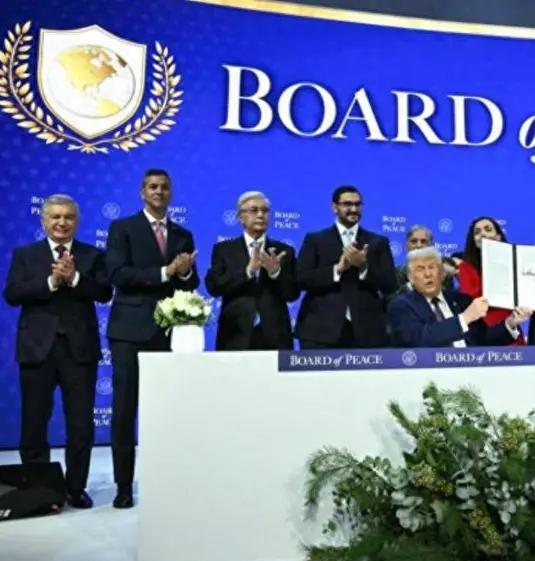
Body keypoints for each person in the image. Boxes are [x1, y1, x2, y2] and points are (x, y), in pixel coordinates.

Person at [3, 195, 112, 509]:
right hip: (37, 350)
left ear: (76, 221)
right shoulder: (26, 255)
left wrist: (74, 278)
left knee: (80, 424)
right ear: (44, 220)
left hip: (80, 351)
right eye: (55, 217)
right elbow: (12, 293)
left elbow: (104, 292)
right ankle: (38, 490)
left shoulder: (92, 255)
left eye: (68, 217)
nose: (62, 223)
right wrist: (51, 281)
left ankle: (76, 488)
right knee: (34, 422)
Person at [106, 169, 199, 507]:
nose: (159, 191)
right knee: (124, 410)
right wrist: (166, 272)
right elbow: (117, 274)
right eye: (153, 187)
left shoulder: (183, 234)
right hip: (129, 332)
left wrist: (184, 272)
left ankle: (166, 482)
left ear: (171, 193)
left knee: (165, 411)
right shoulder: (123, 228)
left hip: (168, 332)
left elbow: (191, 283)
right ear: (142, 192)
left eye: (164, 187)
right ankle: (123, 486)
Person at [295, 185, 397, 348]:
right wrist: (337, 269)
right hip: (320, 331)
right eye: (347, 204)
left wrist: (363, 267)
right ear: (334, 207)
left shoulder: (378, 242)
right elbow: (301, 278)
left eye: (357, 204)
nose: (353, 209)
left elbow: (390, 284)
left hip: (368, 331)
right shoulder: (315, 240)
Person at [205, 191, 298, 350]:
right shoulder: (224, 250)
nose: (261, 215)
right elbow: (214, 287)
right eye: (254, 210)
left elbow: (292, 293)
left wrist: (275, 273)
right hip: (235, 333)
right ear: (241, 217)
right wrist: (247, 272)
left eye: (265, 211)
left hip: (275, 335)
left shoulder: (284, 251)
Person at [388, 247, 530, 347]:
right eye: (420, 269)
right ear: (411, 278)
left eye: (432, 267)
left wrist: (510, 323)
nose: (428, 274)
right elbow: (419, 339)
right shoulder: (401, 305)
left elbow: (484, 339)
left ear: (442, 274)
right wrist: (464, 318)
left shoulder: (462, 300)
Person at [458, 216, 526, 344]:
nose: (483, 234)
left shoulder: (512, 262)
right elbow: (472, 297)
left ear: (498, 236)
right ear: (474, 241)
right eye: (477, 232)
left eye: (488, 229)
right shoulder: (466, 267)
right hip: (483, 330)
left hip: (511, 324)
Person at [393, 225, 452, 296]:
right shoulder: (397, 272)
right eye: (414, 241)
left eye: (423, 241)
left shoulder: (443, 271)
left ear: (431, 245)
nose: (419, 245)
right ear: (406, 245)